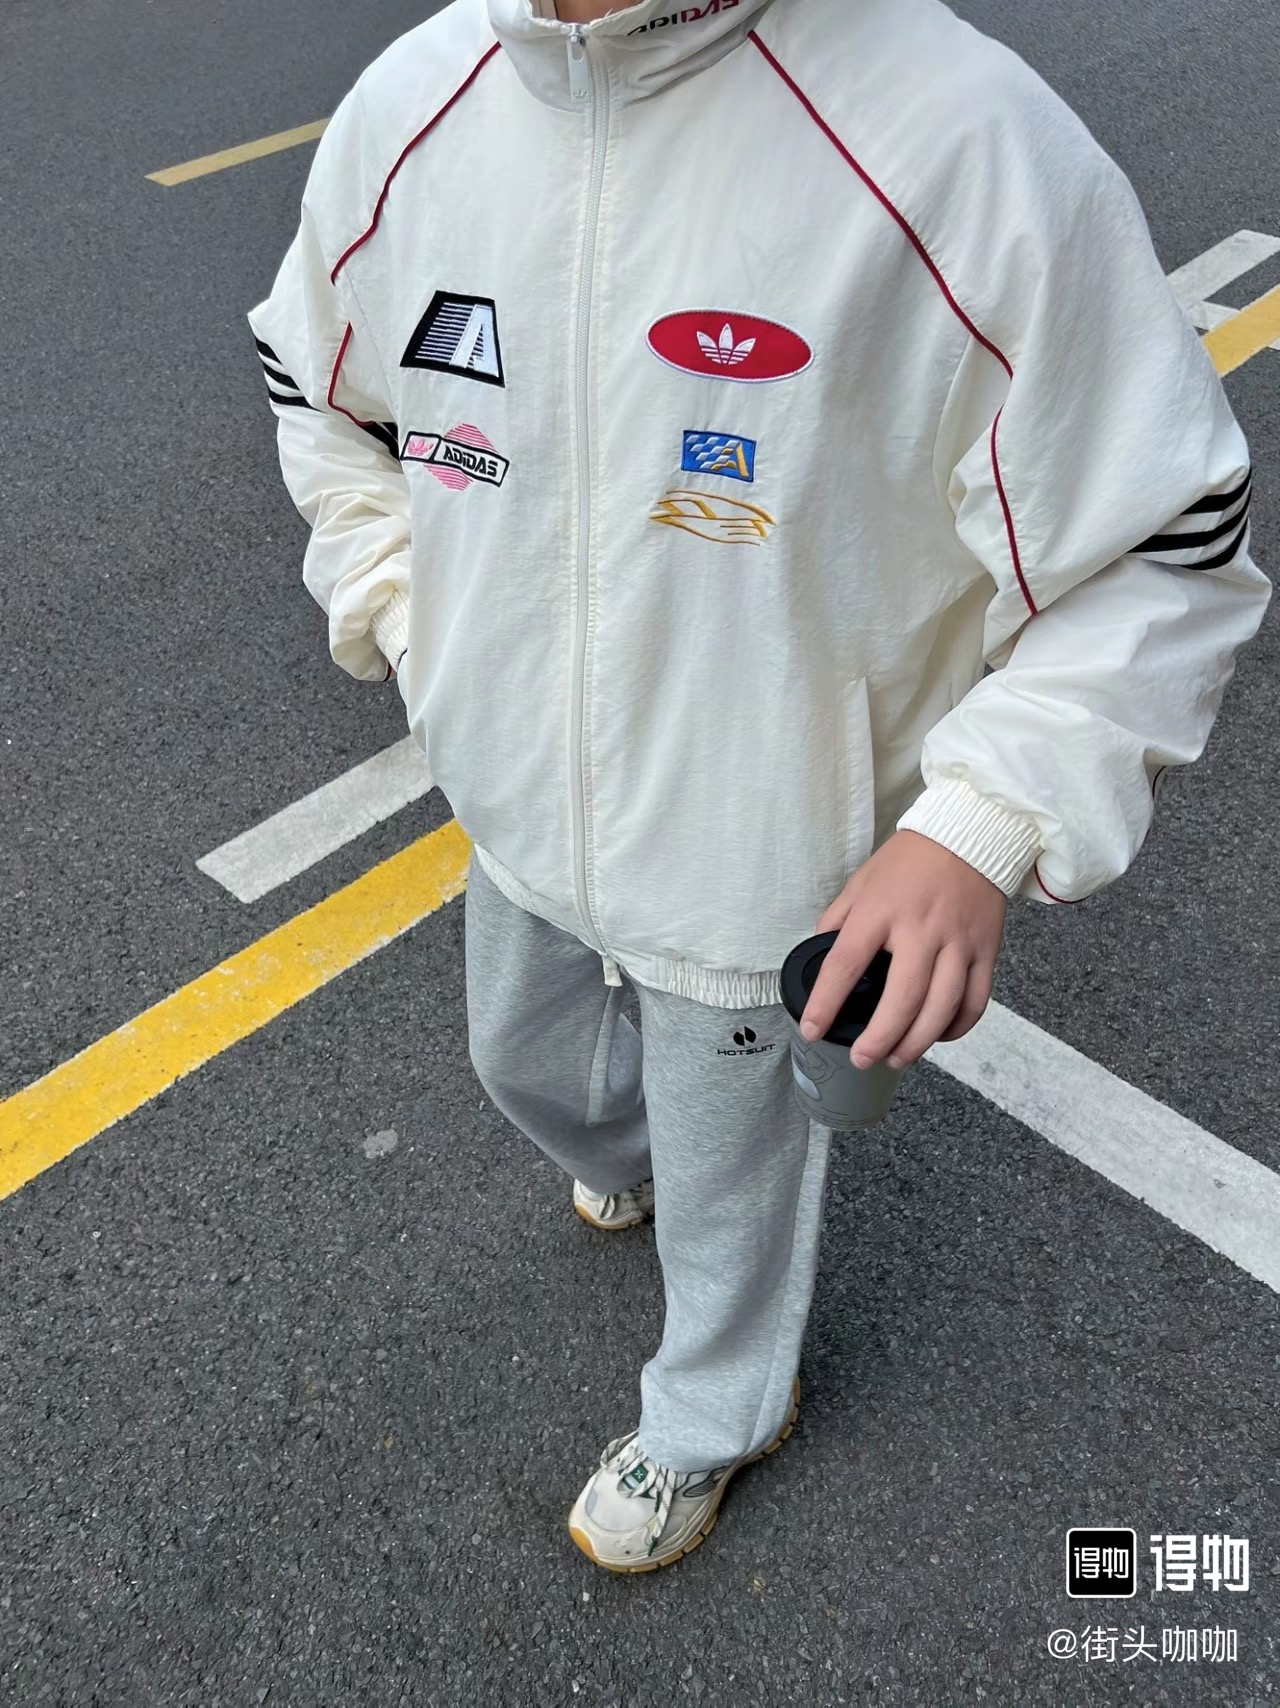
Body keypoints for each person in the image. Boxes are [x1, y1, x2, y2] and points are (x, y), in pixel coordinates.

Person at [247, 0, 1272, 1572]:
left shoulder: (955, 137)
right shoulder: (418, 99)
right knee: (523, 1063)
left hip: (757, 842)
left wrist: (976, 826)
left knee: (734, 1182)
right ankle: (633, 1164)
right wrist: (410, 615)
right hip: (508, 797)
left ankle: (716, 1414)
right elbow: (322, 391)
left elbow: (1160, 545)